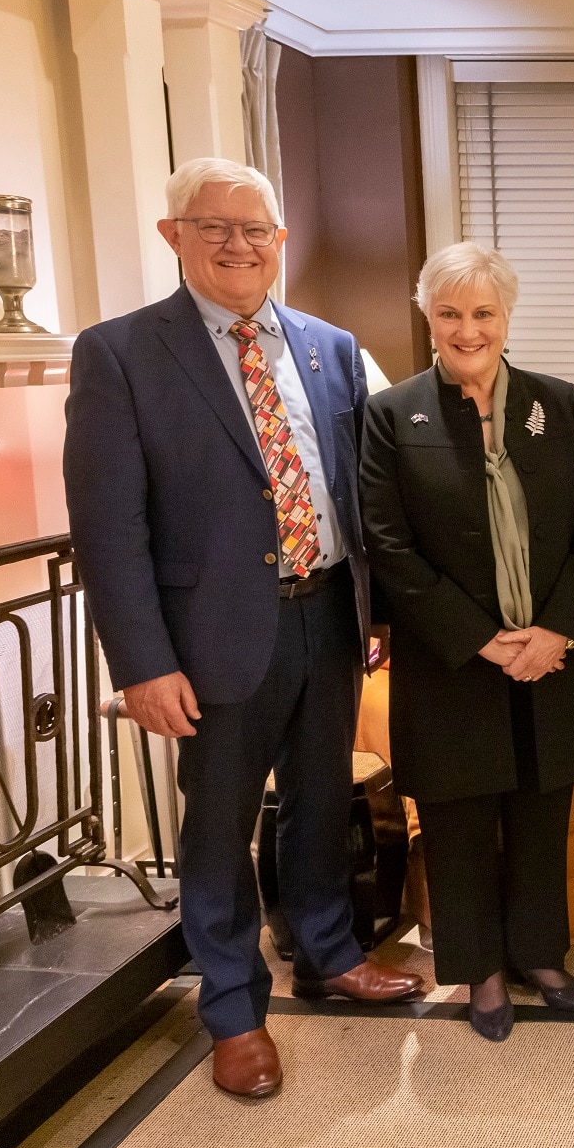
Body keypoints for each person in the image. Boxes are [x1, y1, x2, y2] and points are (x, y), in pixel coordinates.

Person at [64, 157, 424, 1099]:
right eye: (213, 225)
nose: (237, 243)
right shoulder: (120, 354)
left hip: (328, 619)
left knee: (318, 802)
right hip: (210, 638)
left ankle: (328, 952)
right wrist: (142, 662)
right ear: (171, 235)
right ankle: (231, 1008)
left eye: (255, 227)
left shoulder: (330, 347)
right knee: (219, 825)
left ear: (281, 240)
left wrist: (373, 611)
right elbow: (109, 528)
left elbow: (356, 492)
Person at [360, 242, 574, 1042]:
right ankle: (484, 972)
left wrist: (558, 629)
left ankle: (539, 953)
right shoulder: (393, 414)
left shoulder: (557, 402)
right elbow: (387, 544)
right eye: (449, 313)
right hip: (452, 662)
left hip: (551, 655)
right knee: (461, 821)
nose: (467, 330)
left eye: (483, 313)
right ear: (426, 316)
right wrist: (483, 640)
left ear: (506, 317)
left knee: (541, 809)